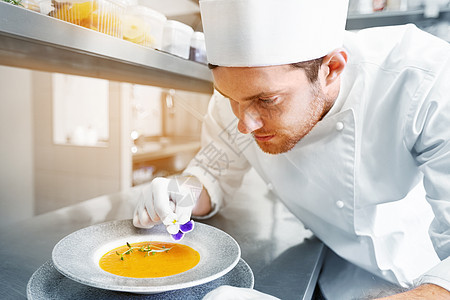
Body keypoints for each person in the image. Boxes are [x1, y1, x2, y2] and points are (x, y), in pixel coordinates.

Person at [133, 0, 450, 298]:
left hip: (424, 276)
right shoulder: (238, 102)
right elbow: (211, 174)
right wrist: (181, 194)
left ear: (332, 69)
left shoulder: (424, 79)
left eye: (267, 100)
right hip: (333, 272)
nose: (245, 124)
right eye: (229, 96)